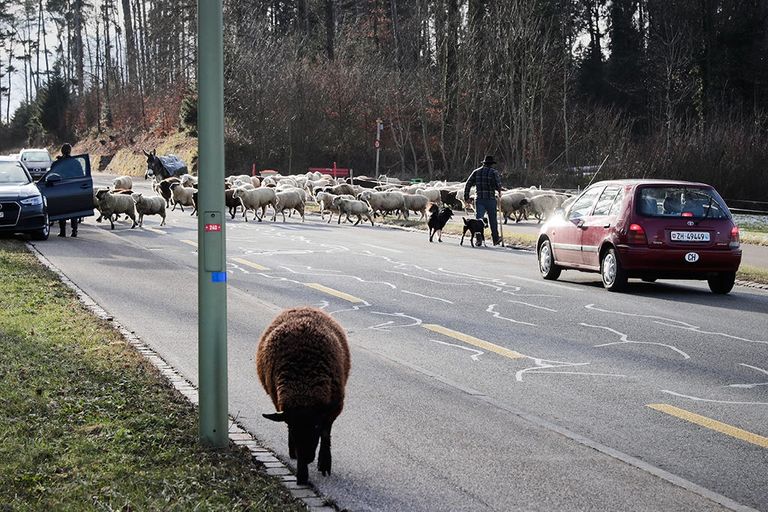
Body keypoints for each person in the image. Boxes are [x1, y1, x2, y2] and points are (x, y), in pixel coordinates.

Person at [464, 155, 502, 245]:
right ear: (491, 164)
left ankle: (478, 239)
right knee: (493, 220)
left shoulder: (476, 172)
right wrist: (499, 190)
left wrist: (466, 197)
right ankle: (495, 239)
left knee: (479, 220)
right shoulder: (494, 172)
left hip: (479, 199)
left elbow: (468, 184)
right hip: (490, 199)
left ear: (484, 163)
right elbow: (498, 185)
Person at [56, 143, 78, 238]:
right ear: (70, 151)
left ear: (61, 151)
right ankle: (74, 231)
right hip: (73, 189)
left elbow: (53, 175)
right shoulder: (75, 162)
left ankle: (62, 231)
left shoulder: (58, 163)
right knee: (73, 211)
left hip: (61, 190)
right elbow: (80, 174)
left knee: (62, 210)